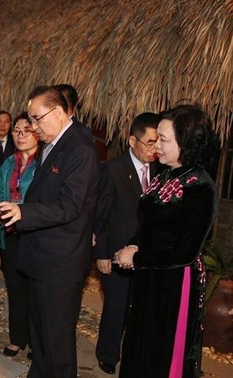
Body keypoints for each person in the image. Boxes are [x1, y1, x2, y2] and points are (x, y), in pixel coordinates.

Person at [0, 86, 98, 377]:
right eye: (31, 120)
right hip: (41, 256)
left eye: (37, 119)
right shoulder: (52, 145)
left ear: (58, 111)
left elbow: (69, 206)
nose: (34, 127)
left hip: (60, 261)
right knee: (40, 332)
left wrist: (23, 212)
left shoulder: (80, 148)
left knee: (56, 341)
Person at [115, 105, 218, 377]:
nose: (156, 145)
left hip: (175, 281)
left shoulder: (200, 186)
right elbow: (150, 223)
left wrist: (137, 257)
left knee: (163, 351)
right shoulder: (164, 175)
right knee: (140, 345)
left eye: (164, 139)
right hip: (150, 275)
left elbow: (185, 251)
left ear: (185, 142)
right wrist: (133, 245)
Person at [93, 112, 161, 375]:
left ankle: (134, 351)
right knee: (116, 306)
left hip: (145, 254)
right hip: (116, 252)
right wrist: (101, 255)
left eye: (158, 143)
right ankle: (108, 353)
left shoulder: (159, 170)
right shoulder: (112, 169)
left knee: (140, 308)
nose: (154, 149)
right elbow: (100, 215)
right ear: (133, 140)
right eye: (149, 142)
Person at [0, 113, 38, 358]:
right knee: (15, 287)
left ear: (38, 131)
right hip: (10, 232)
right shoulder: (8, 163)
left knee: (36, 289)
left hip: (36, 234)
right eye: (16, 131)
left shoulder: (45, 163)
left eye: (26, 130)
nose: (20, 135)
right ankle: (18, 338)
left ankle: (36, 340)